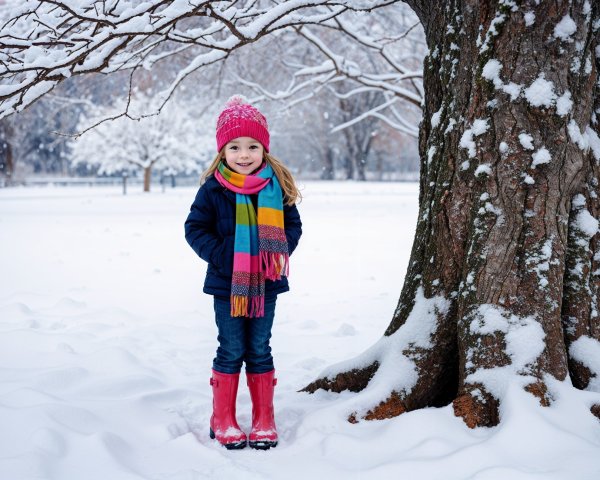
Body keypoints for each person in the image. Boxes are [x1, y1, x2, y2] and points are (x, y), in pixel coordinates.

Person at [184, 96, 302, 450]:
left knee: (260, 348)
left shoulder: (275, 188)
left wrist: (274, 252)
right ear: (223, 152)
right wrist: (224, 256)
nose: (244, 154)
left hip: (266, 282)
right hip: (227, 284)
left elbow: (293, 226)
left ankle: (264, 418)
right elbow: (194, 228)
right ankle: (222, 418)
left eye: (252, 146)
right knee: (231, 348)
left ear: (264, 149)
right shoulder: (213, 189)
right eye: (234, 147)